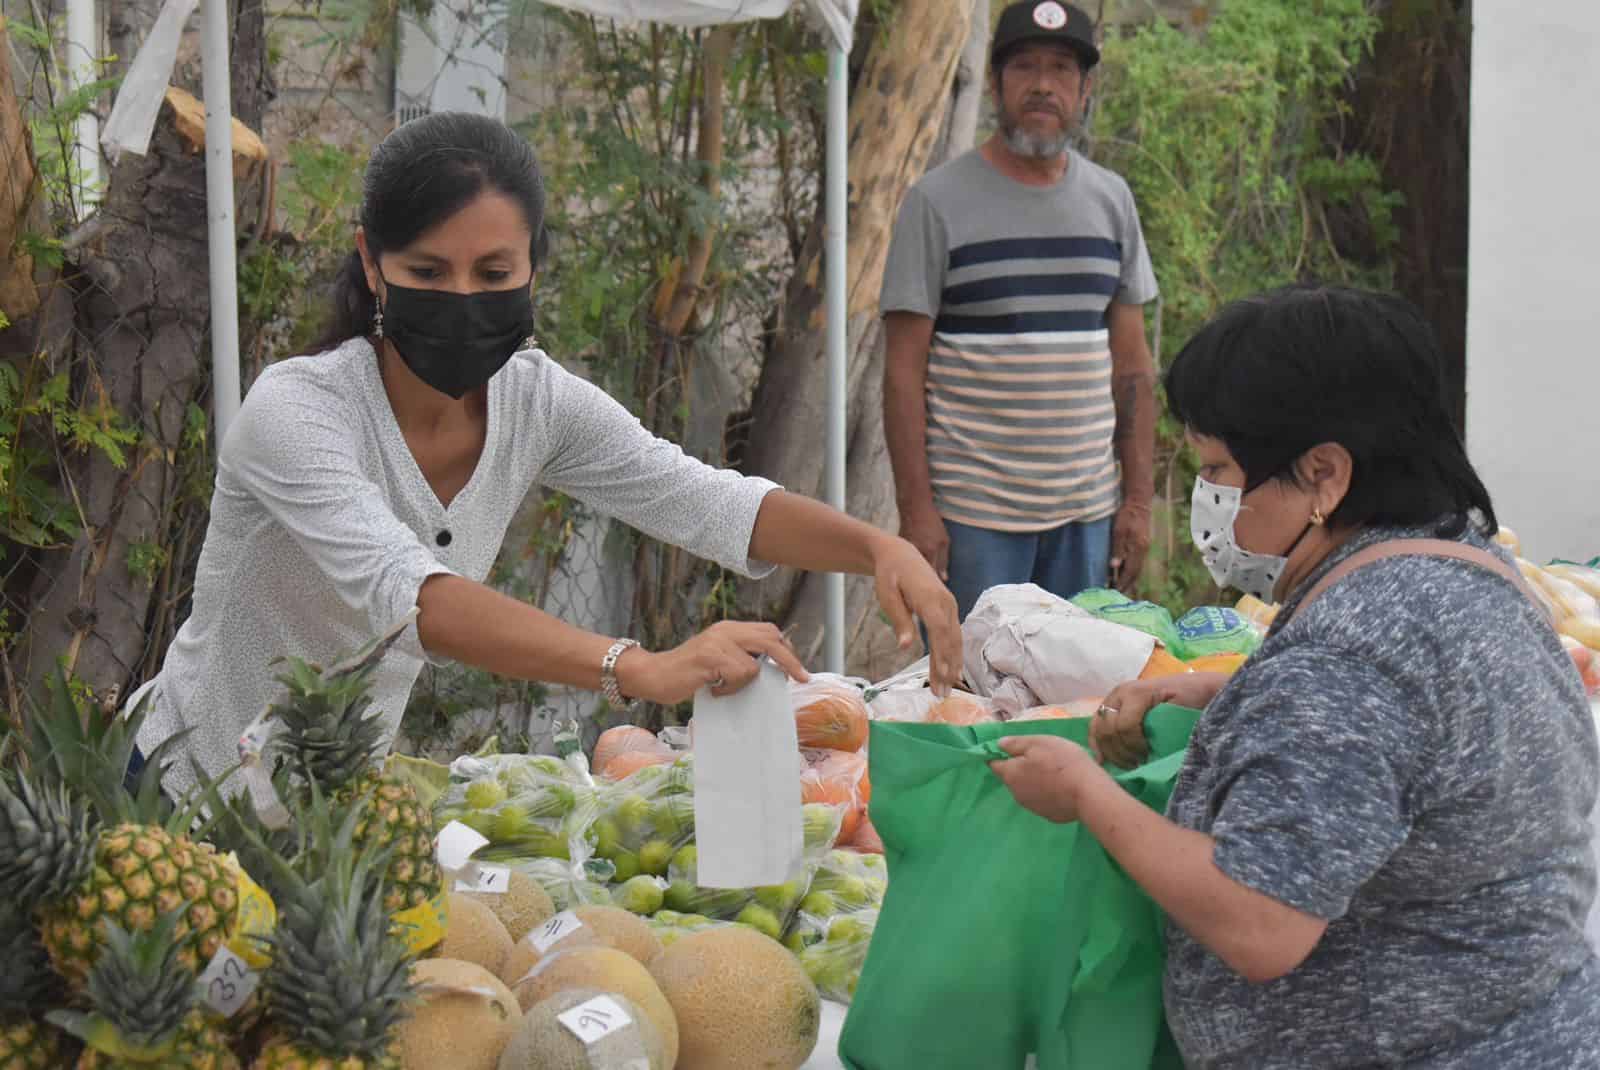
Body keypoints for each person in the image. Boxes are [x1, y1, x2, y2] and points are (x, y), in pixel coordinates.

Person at [131, 112, 960, 795]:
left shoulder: (535, 399)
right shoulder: (298, 413)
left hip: (337, 804)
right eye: (427, 268)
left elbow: (704, 499)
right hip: (187, 796)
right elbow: (420, 601)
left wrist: (875, 546)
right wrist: (636, 667)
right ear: (371, 267)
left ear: (534, 267)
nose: (463, 298)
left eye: (495, 272)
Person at [990, 285, 1600, 1067]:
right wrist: (1229, 691)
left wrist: (1085, 794)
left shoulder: (1348, 658)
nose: (1208, 500)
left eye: (1219, 469)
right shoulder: (1469, 569)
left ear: (1324, 475)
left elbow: (1260, 922)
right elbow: (1415, 738)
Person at [880, 0, 1159, 621]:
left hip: (1087, 515)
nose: (1042, 85)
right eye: (1025, 67)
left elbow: (1134, 369)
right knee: (976, 699)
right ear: (996, 84)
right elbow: (902, 373)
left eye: (1061, 70)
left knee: (1079, 700)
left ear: (1084, 90)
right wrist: (918, 514)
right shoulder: (935, 203)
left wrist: (1136, 504)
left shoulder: (1111, 201)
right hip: (974, 518)